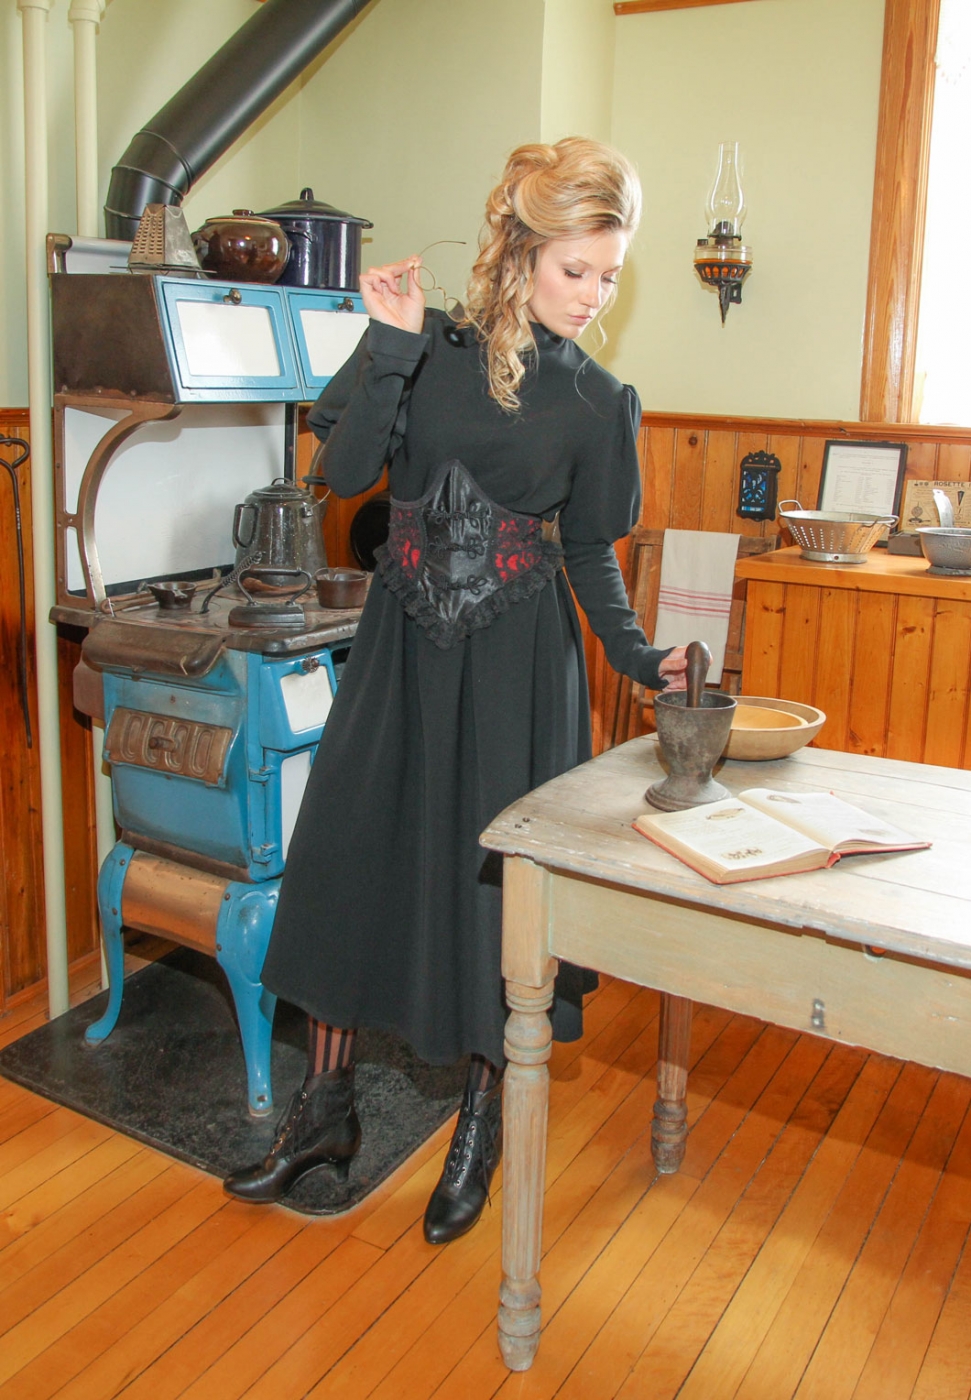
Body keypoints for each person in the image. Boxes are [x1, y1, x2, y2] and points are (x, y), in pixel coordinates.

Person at [224, 137, 688, 1242]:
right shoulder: (420, 351)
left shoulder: (595, 399)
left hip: (517, 675)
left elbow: (587, 554)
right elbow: (335, 481)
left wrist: (637, 658)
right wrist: (382, 348)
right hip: (398, 652)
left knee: (493, 902)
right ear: (518, 249)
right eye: (575, 269)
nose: (592, 296)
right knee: (344, 857)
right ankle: (322, 1112)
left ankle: (477, 1121)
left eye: (609, 276)